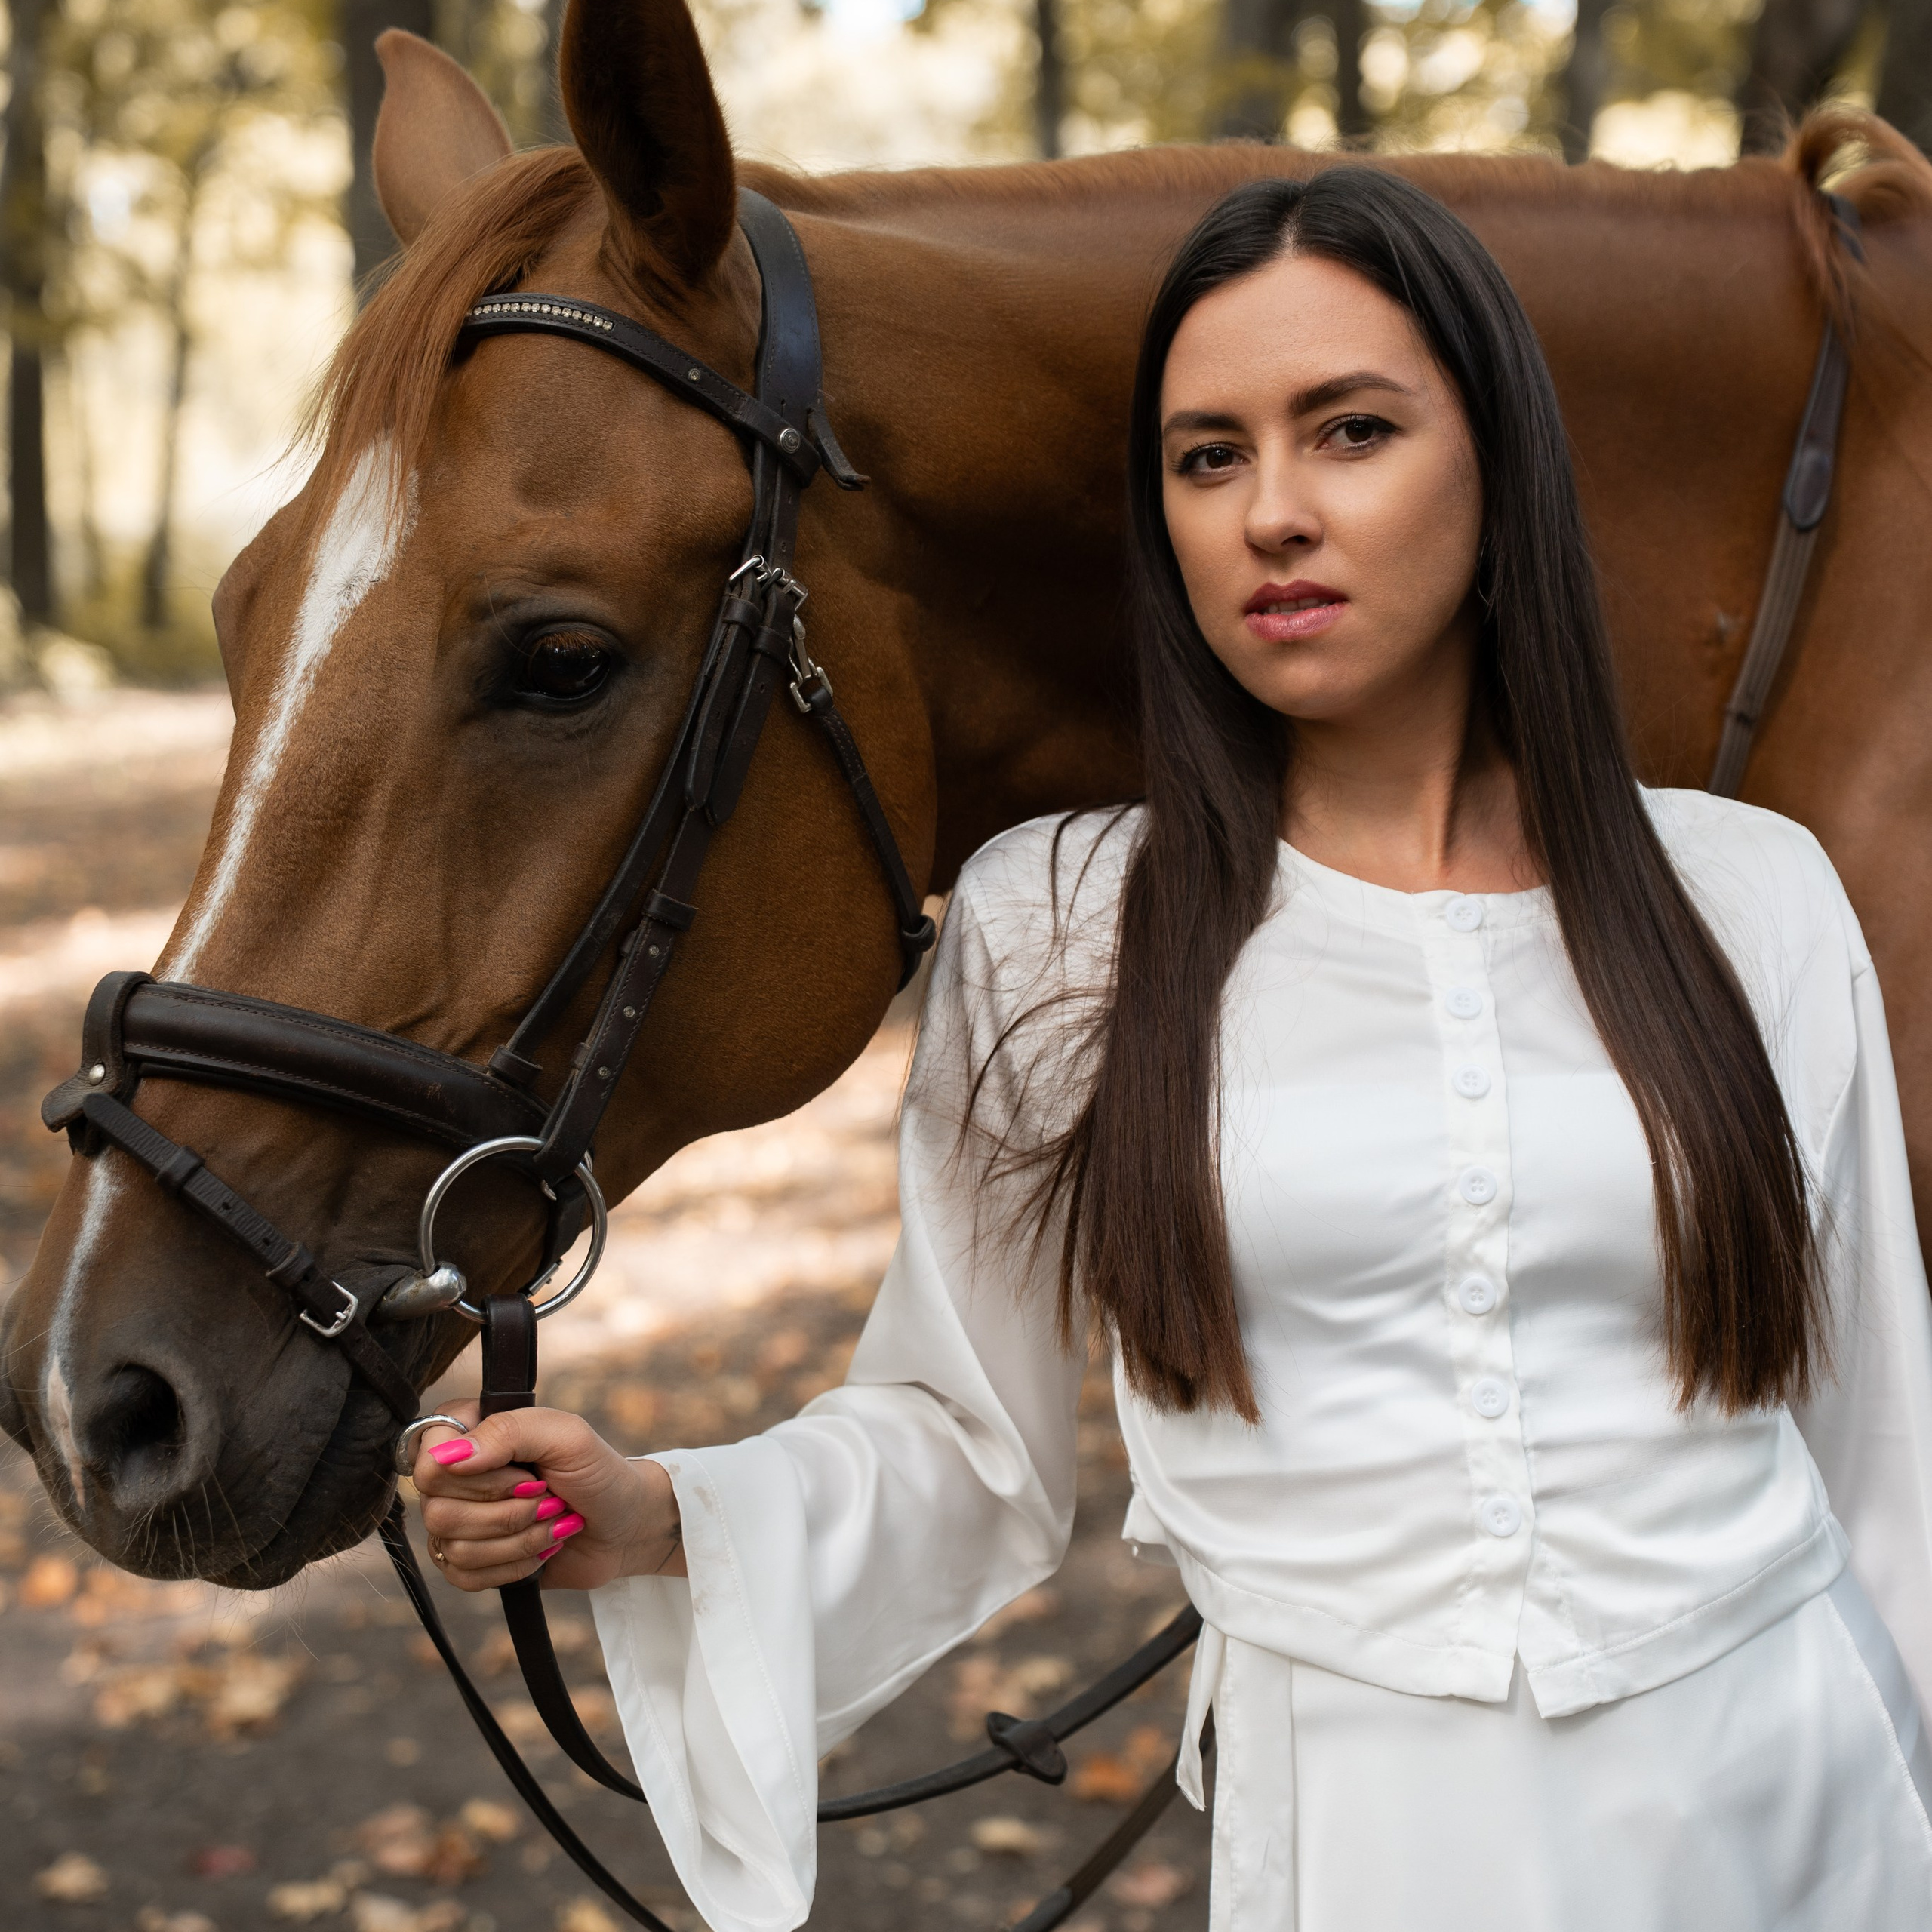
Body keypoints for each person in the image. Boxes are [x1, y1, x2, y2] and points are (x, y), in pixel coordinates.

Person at [409, 168, 1932, 1931]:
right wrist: (666, 1514)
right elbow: (963, 1437)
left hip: (1802, 1812)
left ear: (1499, 463)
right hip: (1370, 1848)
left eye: (1347, 430)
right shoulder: (1060, 923)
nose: (1272, 511)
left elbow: (1875, 1447)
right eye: (1208, 457)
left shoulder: (1751, 894)